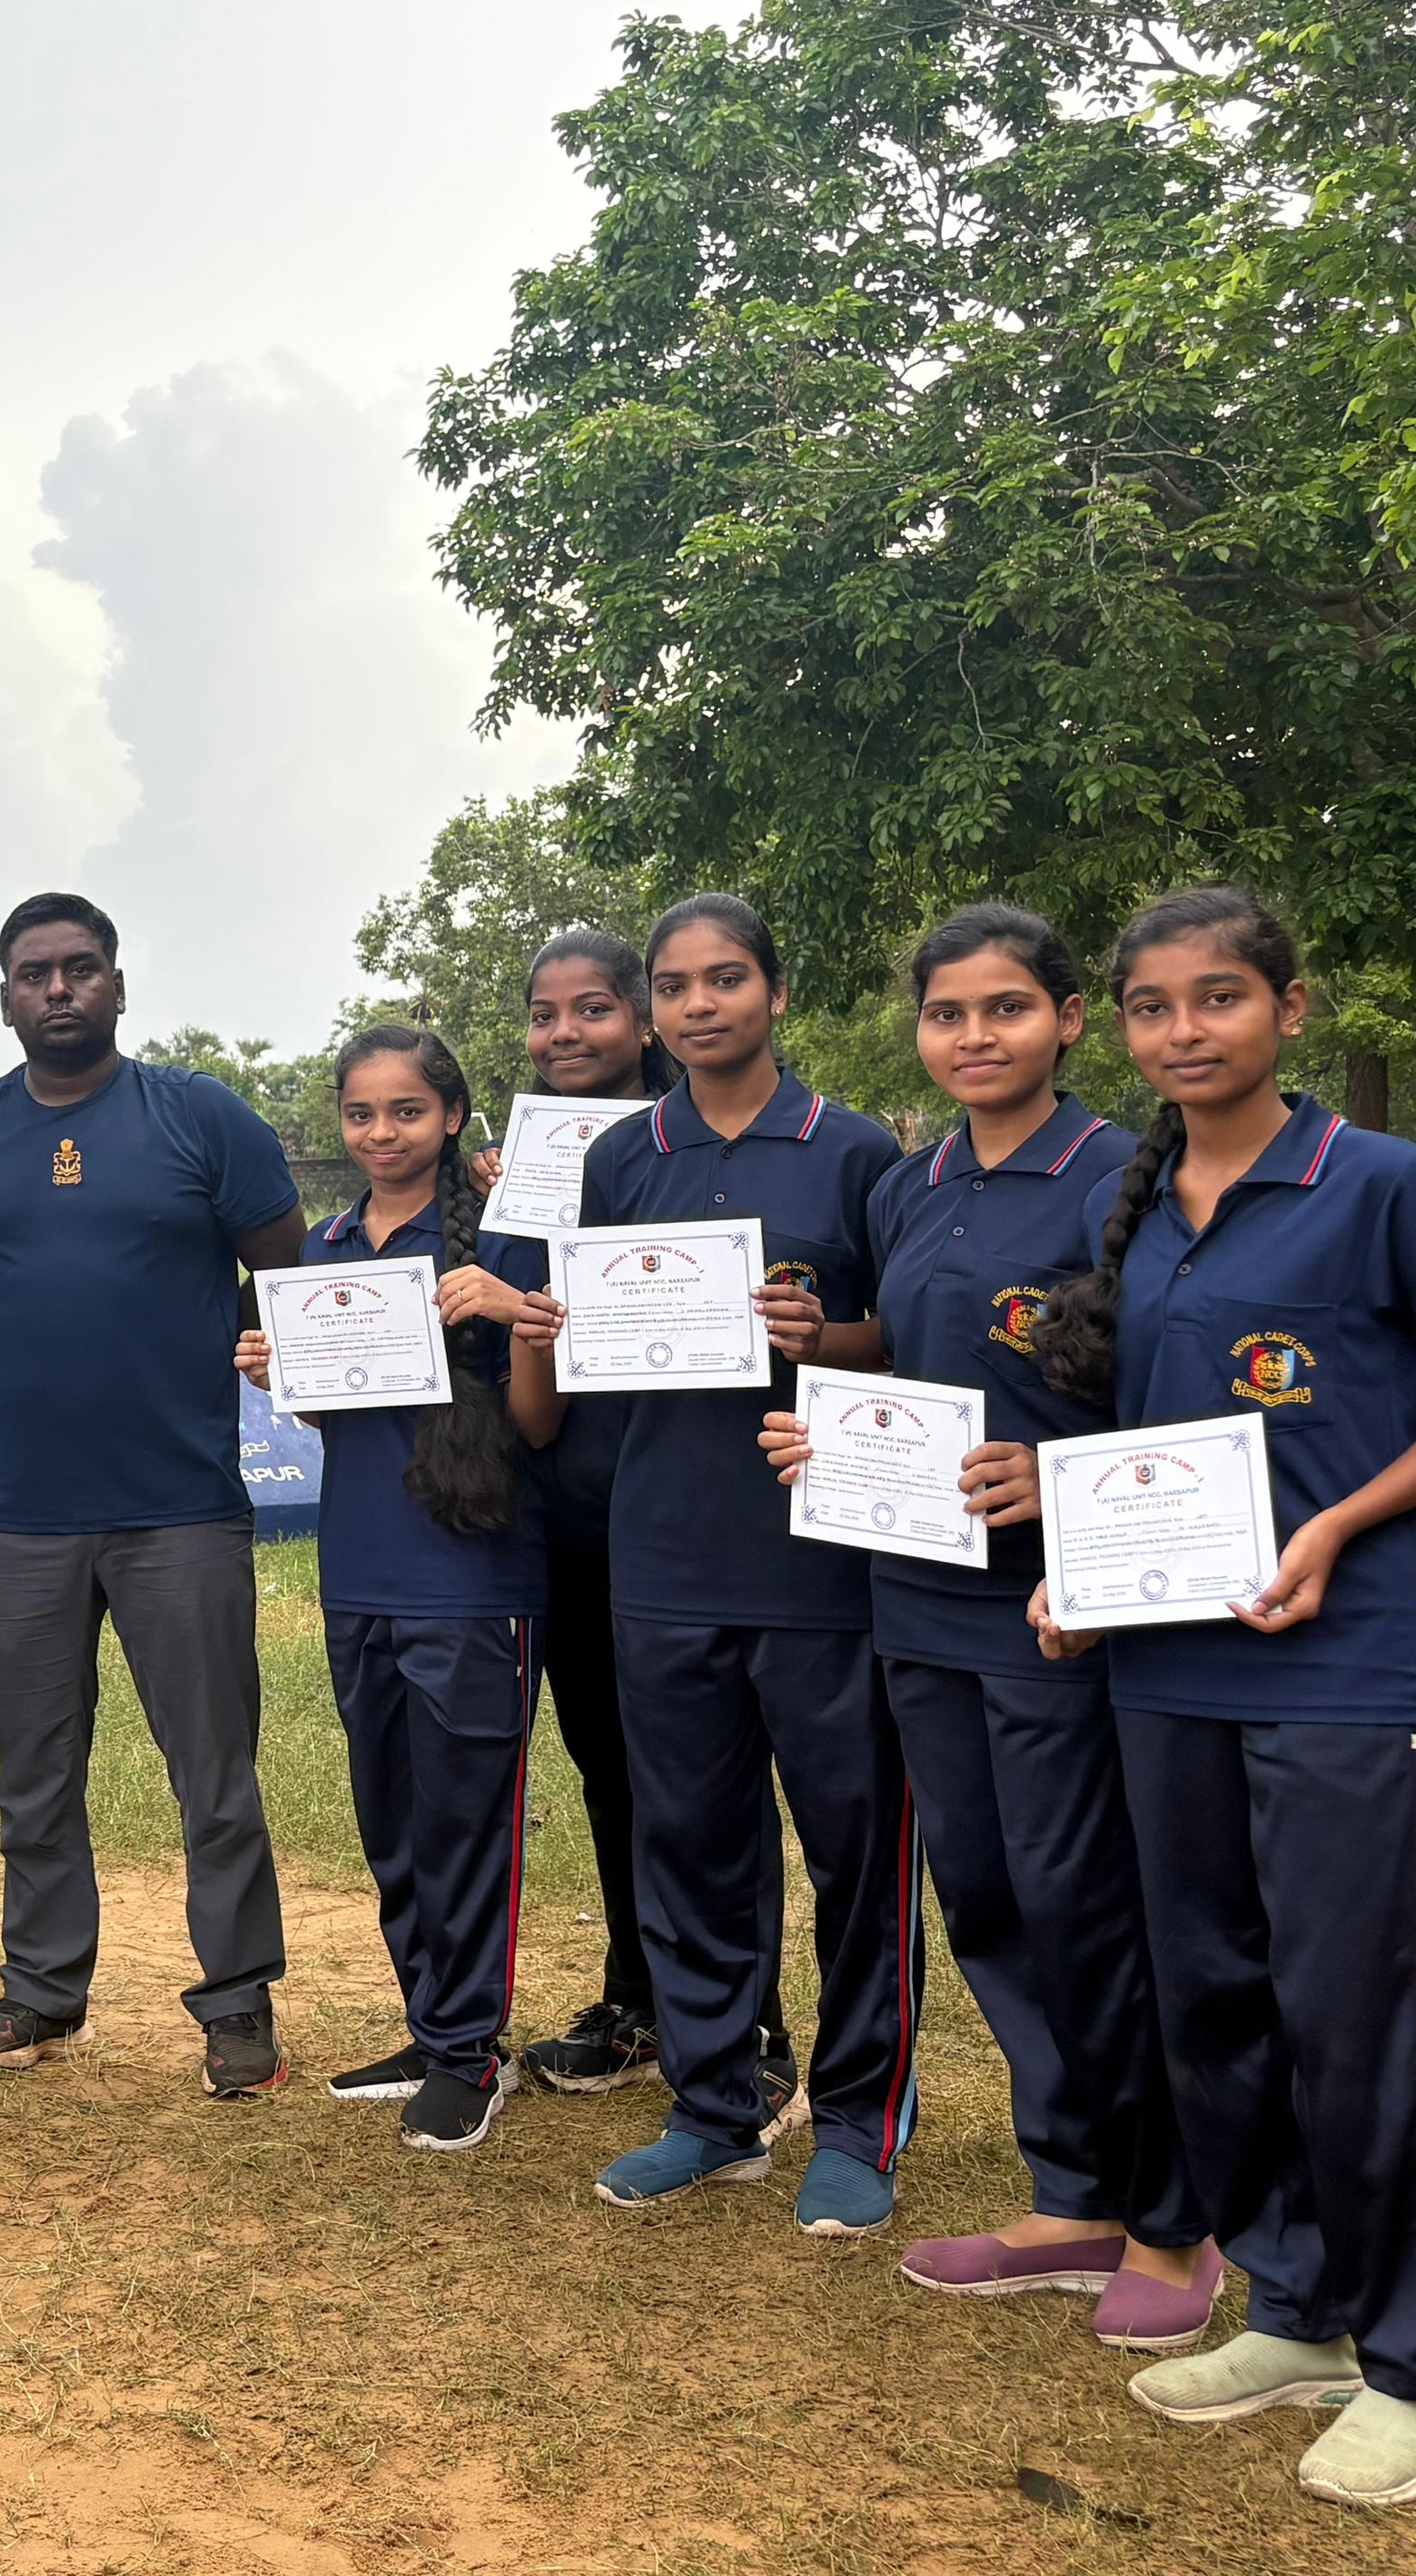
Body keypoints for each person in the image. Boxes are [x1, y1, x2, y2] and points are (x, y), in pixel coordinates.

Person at [749, 905, 1213, 2345]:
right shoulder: (912, 1183)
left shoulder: (1126, 1180)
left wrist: (1056, 1484)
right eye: (947, 1014)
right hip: (915, 1598)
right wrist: (824, 1393)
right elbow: (904, 1347)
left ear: (1068, 1020)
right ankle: (1069, 2196)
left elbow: (1187, 1399)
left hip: (1058, 1606)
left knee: (1087, 1902)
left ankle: (1173, 2221)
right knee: (990, 1901)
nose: (974, 1037)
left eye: (1006, 1008)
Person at [1027, 886, 1416, 2508]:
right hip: (1167, 1665)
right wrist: (1077, 1569)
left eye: (1220, 998)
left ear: (1288, 1009)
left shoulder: (1376, 1184)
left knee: (1356, 2006)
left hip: (1346, 1658)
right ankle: (1297, 2308)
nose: (1184, 1031)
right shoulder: (1127, 1204)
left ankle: (1406, 2355)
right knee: (1213, 1992)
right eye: (1153, 1007)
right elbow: (1134, 1447)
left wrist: (1334, 1527)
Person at [0, 892, 304, 2091]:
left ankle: (237, 2005)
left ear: (117, 986)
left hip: (181, 1505)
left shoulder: (198, 1115)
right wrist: (26, 1344)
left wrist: (204, 1341)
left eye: (80, 968)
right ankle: (41, 1991)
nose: (58, 988)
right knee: (34, 1772)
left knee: (213, 1774)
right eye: (34, 973)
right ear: (5, 998)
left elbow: (283, 1266)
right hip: (20, 1511)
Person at [573, 893, 913, 2234]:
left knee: (856, 1852)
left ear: (775, 991)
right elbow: (599, 1346)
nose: (698, 1004)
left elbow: (903, 1336)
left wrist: (821, 1337)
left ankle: (859, 2121)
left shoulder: (856, 1150)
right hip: (661, 1551)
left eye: (724, 979)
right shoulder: (622, 1156)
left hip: (820, 1558)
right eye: (673, 986)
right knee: (691, 1844)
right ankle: (714, 2108)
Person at [236, 1027, 557, 2149]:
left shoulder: (503, 1237)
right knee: (391, 1816)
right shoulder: (325, 1245)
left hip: (472, 1573)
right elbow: (335, 1415)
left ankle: (472, 2050)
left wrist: (516, 1315)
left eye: (407, 1111)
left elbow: (537, 1425)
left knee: (463, 1818)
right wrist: (280, 1372)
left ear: (452, 1117)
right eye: (361, 1113)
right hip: (358, 1567)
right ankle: (430, 2025)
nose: (382, 1133)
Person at [496, 931, 794, 2115]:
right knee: (612, 1770)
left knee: (716, 1779)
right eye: (545, 1013)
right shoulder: (531, 1170)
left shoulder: (706, 1147)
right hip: (577, 1509)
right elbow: (525, 1341)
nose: (566, 1033)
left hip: (702, 1506)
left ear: (640, 1021)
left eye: (594, 1009)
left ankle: (752, 2022)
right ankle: (637, 1998)